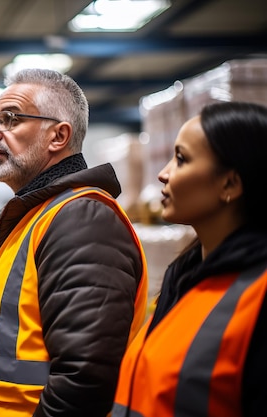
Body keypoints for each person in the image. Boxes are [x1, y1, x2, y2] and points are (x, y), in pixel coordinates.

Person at [0, 68, 148, 417]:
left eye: (10, 119)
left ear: (58, 136)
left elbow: (85, 378)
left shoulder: (81, 220)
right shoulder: (27, 221)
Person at [112, 101, 267, 417]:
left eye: (181, 159)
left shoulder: (257, 294)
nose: (162, 174)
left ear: (230, 184)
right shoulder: (183, 279)